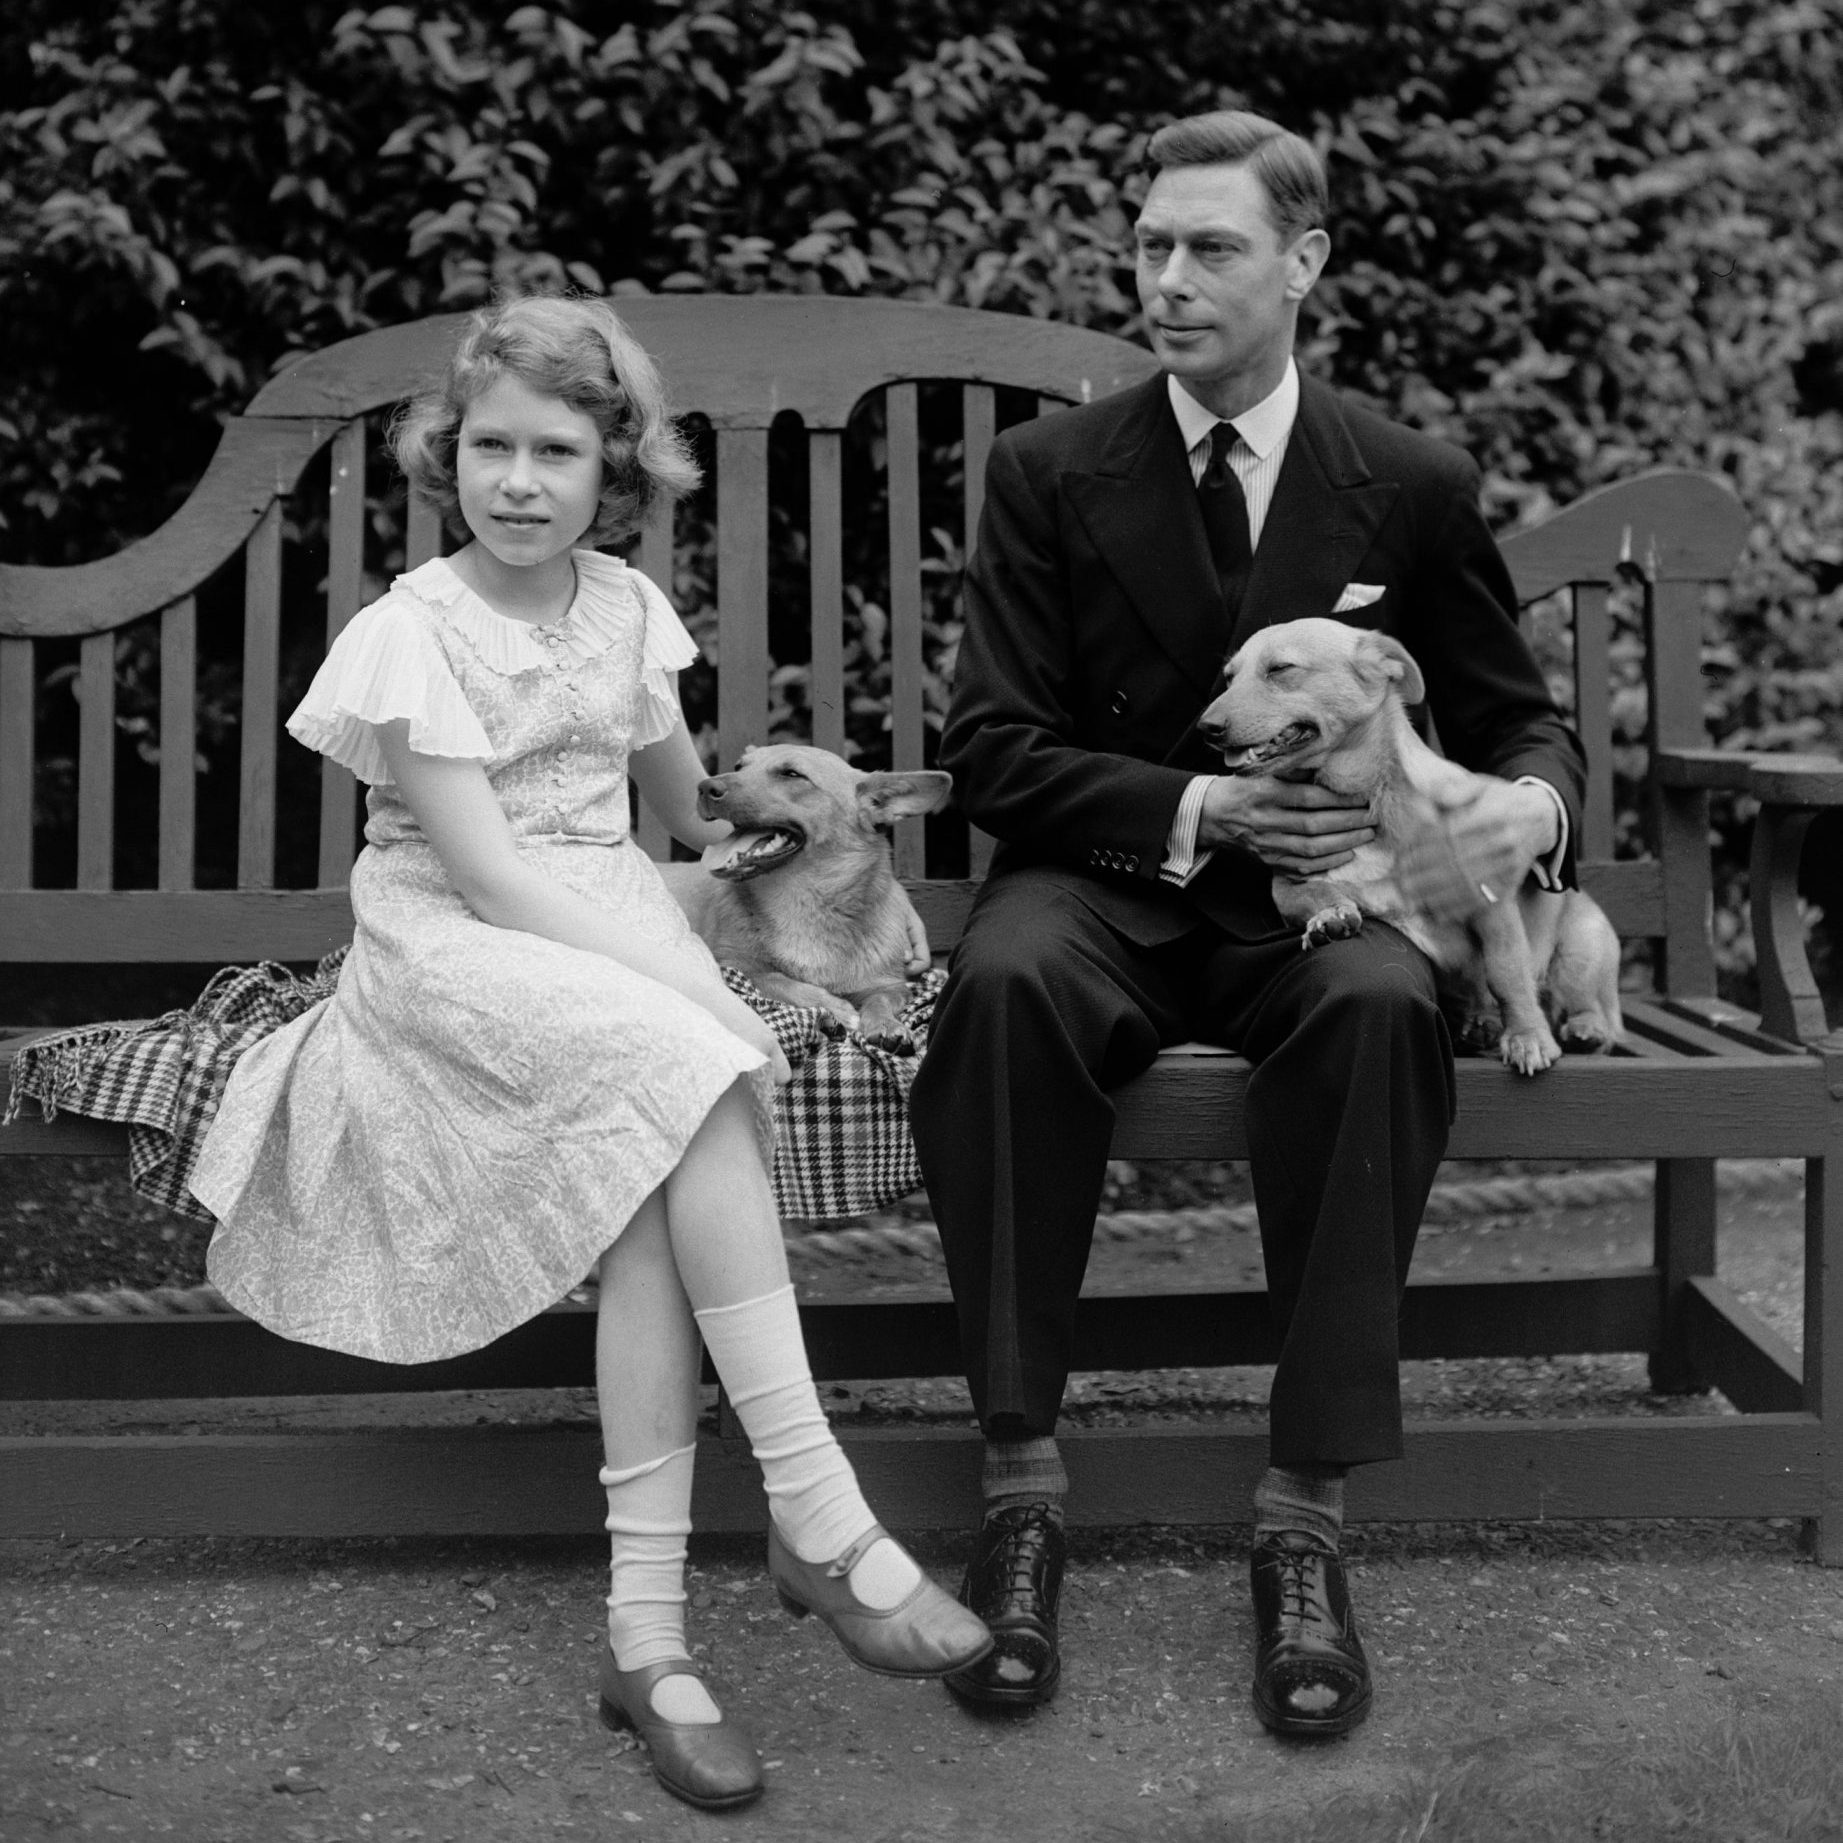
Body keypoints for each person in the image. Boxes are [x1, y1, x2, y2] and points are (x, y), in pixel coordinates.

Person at [190, 293, 989, 1813]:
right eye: (489, 444)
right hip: (459, 944)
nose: (517, 480)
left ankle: (649, 1642)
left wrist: (824, 845)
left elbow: (689, 817)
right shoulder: (412, 632)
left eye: (556, 450)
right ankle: (822, 1521)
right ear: (449, 455)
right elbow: (492, 879)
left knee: (654, 1206)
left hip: (613, 922)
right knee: (692, 1068)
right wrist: (699, 995)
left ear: (613, 469)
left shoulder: (623, 608)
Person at [908, 109, 1586, 1736]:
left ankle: (1303, 1520)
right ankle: (1020, 1492)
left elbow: (1519, 722)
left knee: (1376, 1008)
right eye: (1150, 246)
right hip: (1109, 885)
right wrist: (1198, 808)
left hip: (1335, 900)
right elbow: (992, 749)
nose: (1169, 277)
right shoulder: (1048, 473)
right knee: (998, 986)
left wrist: (1533, 812)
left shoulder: (1407, 484)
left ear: (1305, 264)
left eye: (1211, 247)